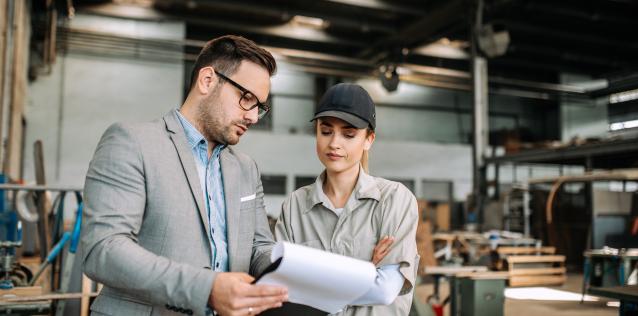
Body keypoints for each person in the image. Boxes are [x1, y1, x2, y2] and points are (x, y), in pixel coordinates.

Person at [81, 35, 288, 316]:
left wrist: (292, 271)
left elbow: (257, 247)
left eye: (259, 107)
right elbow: (104, 250)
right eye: (247, 98)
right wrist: (207, 289)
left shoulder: (245, 168)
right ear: (207, 80)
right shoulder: (132, 142)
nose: (253, 117)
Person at [274, 83, 419, 315]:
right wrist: (367, 270)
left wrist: (314, 284)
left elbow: (385, 290)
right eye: (326, 131)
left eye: (349, 134)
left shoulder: (394, 200)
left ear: (369, 139)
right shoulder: (295, 206)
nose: (334, 143)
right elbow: (284, 290)